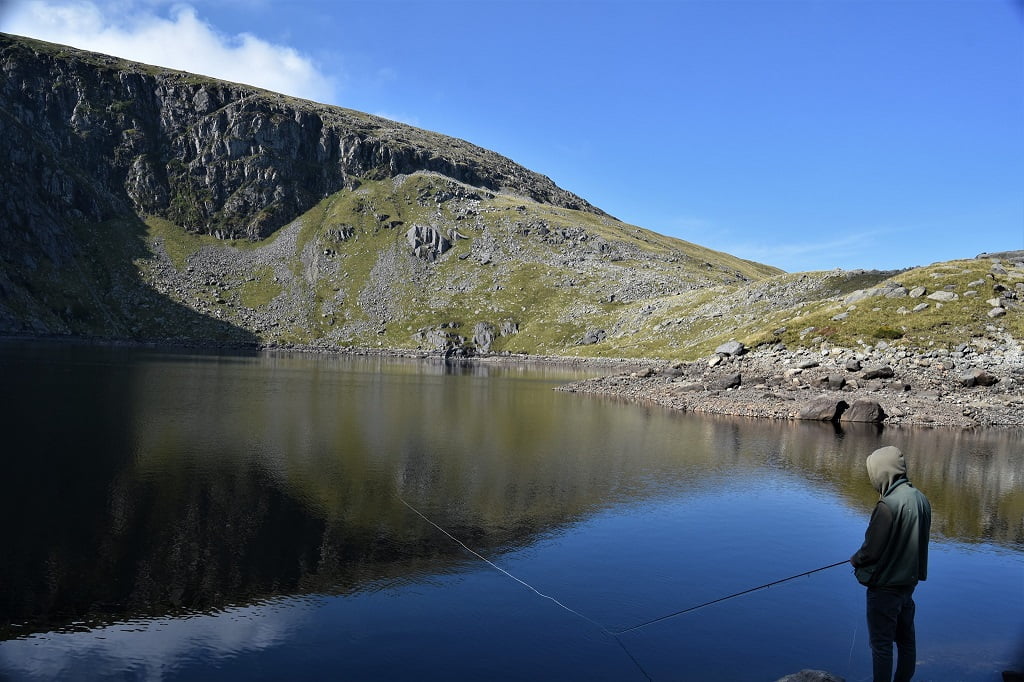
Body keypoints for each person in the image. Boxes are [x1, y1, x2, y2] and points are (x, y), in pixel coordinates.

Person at [850, 445, 931, 682]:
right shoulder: (921, 499)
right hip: (909, 585)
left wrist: (856, 559)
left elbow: (871, 551)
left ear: (883, 472)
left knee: (881, 646)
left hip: (885, 587)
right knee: (906, 642)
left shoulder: (887, 505)